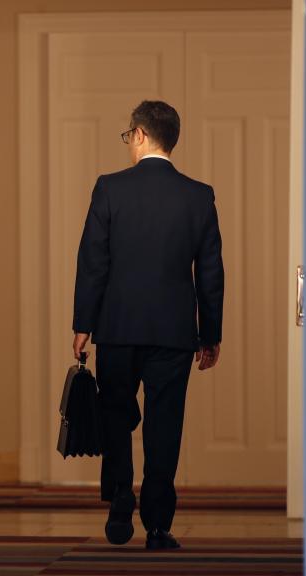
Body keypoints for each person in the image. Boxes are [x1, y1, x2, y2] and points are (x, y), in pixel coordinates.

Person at [71, 100, 224, 550]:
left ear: (139, 134)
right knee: (164, 424)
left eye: (127, 136)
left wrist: (84, 323)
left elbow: (92, 263)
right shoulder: (198, 195)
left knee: (115, 416)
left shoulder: (110, 188)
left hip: (117, 328)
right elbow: (211, 272)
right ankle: (158, 526)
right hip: (175, 332)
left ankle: (121, 501)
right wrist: (210, 333)